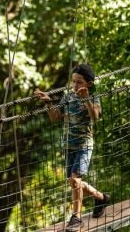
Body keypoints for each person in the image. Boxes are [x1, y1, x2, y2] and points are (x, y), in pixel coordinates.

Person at [34, 64, 110, 231]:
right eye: (73, 82)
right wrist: (48, 104)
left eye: (79, 82)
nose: (75, 85)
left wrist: (86, 100)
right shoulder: (68, 97)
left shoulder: (94, 97)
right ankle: (101, 197)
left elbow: (95, 117)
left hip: (84, 145)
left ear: (89, 83)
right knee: (74, 182)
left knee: (75, 180)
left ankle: (76, 217)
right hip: (68, 145)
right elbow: (55, 117)